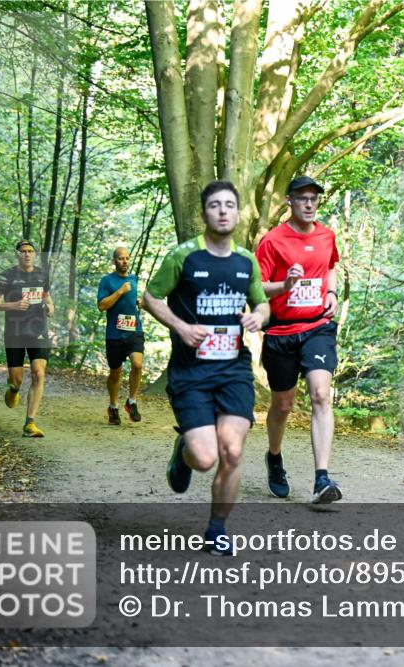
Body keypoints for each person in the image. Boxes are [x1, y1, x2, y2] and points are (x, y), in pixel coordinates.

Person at [143, 180, 269, 555]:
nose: (223, 211)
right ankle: (184, 448)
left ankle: (216, 529)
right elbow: (150, 297)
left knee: (232, 451)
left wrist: (258, 318)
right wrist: (181, 327)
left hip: (233, 370)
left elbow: (262, 302)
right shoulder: (184, 257)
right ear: (204, 213)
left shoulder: (246, 261)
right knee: (204, 457)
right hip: (191, 372)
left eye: (230, 204)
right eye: (215, 205)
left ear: (238, 212)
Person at [256, 175, 342, 504]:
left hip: (317, 327)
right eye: (302, 198)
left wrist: (331, 291)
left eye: (314, 198)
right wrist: (284, 287)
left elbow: (331, 266)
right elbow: (257, 286)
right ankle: (274, 458)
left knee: (321, 395)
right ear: (289, 201)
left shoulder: (326, 235)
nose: (309, 204)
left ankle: (322, 479)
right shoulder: (272, 241)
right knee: (282, 405)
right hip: (281, 331)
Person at [0, 239, 55, 437]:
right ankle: (14, 389)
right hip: (15, 331)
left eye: (30, 251)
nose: (27, 254)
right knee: (16, 379)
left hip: (38, 330)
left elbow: (47, 297)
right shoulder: (6, 276)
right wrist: (13, 306)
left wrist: (51, 306)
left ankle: (30, 423)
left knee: (38, 372)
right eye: (23, 251)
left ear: (35, 254)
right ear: (17, 254)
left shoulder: (42, 274)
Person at [97, 246, 145, 425]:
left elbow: (134, 300)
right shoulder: (107, 281)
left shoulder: (134, 279)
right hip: (114, 334)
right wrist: (119, 292)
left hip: (134, 331)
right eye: (120, 258)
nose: (124, 261)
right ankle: (113, 406)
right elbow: (102, 306)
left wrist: (139, 302)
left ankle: (131, 402)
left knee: (137, 364)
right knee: (115, 373)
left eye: (127, 258)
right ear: (114, 261)